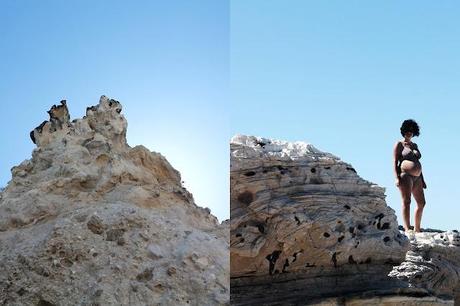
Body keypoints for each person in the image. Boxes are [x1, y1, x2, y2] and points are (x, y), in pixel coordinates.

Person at [393, 119, 427, 233]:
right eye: (408, 130)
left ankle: (417, 228)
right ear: (404, 131)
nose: (410, 133)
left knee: (421, 203)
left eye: (412, 131)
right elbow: (394, 162)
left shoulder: (415, 145)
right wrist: (396, 177)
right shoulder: (399, 144)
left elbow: (418, 163)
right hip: (405, 175)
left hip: (417, 177)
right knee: (407, 201)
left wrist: (423, 179)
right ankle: (407, 228)